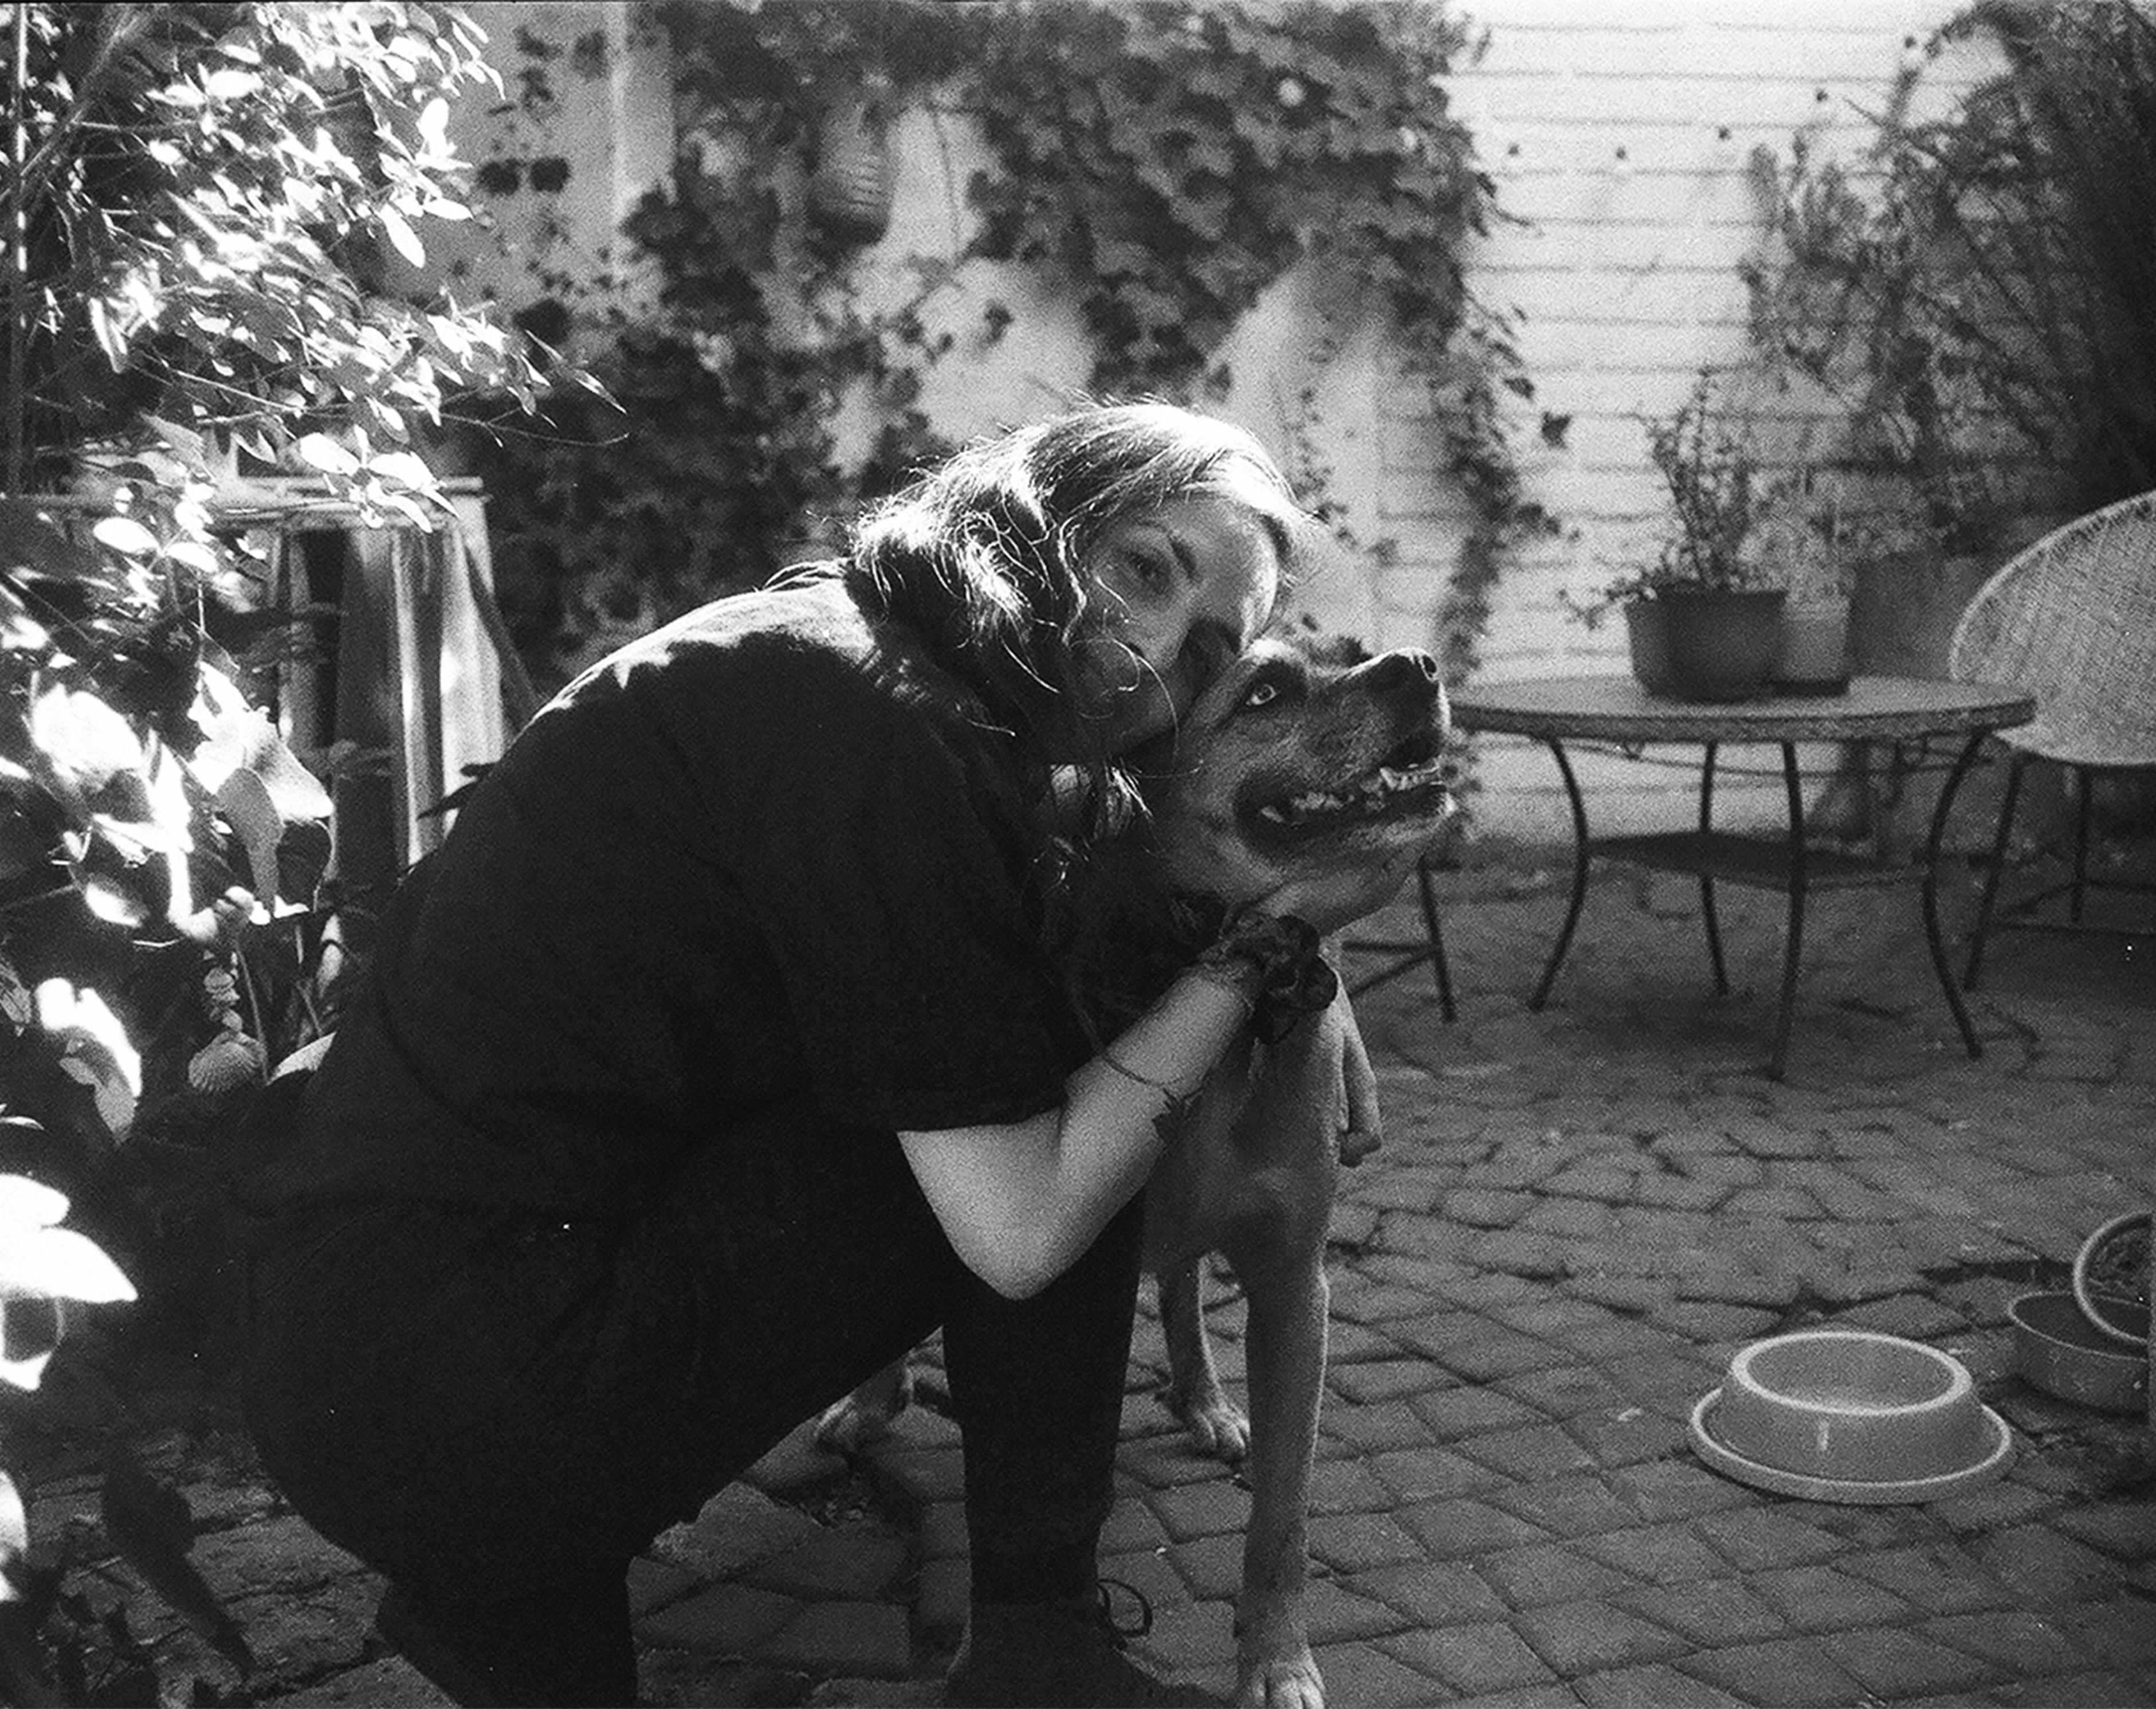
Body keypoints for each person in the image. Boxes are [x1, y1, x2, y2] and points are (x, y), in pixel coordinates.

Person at [235, 402, 1420, 1707]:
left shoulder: (847, 645)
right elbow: (1025, 1228)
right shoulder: (882, 728)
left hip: (382, 1347)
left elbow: (1109, 871)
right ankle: (1036, 1660)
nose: (1149, 656)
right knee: (1063, 1092)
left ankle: (518, 1589)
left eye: (1205, 654)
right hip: (444, 1395)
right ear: (1038, 516)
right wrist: (1271, 945)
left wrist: (1312, 991)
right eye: (1144, 568)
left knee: (1026, 1025)